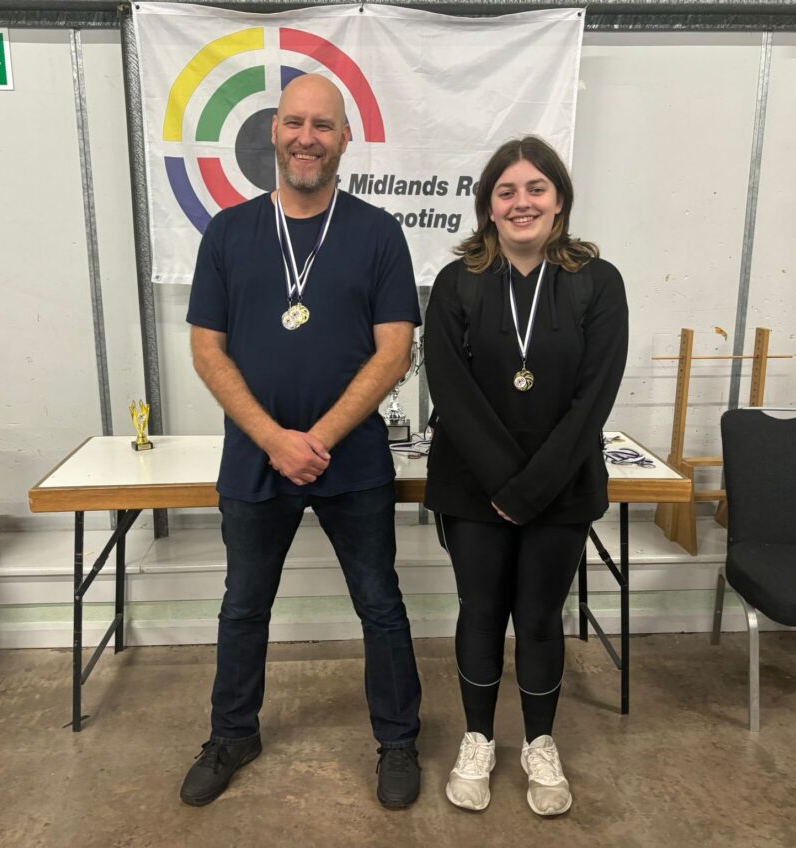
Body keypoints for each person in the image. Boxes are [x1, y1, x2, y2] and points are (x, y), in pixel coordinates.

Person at [181, 73, 423, 810]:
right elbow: (206, 350)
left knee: (379, 603)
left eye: (324, 125)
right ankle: (232, 734)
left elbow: (395, 352)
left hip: (352, 460)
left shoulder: (378, 232)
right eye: (295, 123)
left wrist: (311, 440)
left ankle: (399, 739)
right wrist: (273, 440)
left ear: (346, 138)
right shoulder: (228, 232)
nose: (307, 137)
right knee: (243, 606)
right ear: (274, 133)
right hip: (255, 462)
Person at [424, 136, 628, 816]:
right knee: (480, 612)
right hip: (472, 488)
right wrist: (505, 486)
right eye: (506, 191)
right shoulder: (459, 283)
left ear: (559, 199)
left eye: (536, 188)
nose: (522, 203)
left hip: (560, 487)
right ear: (487, 206)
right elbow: (450, 390)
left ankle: (540, 741)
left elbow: (594, 397)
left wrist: (533, 487)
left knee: (539, 616)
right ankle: (479, 739)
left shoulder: (598, 283)